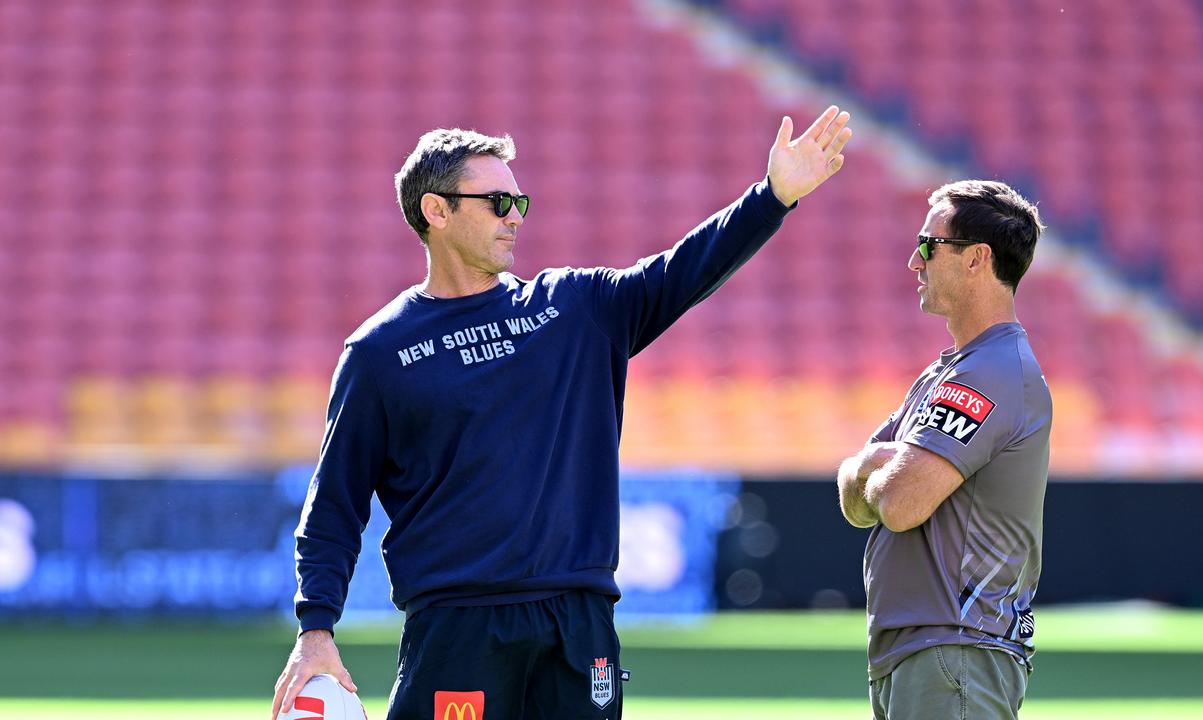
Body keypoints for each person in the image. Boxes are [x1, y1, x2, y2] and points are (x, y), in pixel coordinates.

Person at [270, 106, 853, 720]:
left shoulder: (575, 308)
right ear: (435, 211)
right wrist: (316, 629)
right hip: (457, 629)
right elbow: (334, 503)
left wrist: (772, 197)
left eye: (520, 203)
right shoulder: (380, 352)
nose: (514, 218)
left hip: (578, 625)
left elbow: (682, 271)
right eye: (497, 202)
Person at [836, 180, 1050, 719]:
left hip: (955, 652)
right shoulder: (951, 371)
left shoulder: (990, 372)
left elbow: (900, 503)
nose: (915, 260)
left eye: (930, 244)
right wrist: (877, 469)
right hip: (929, 653)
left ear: (978, 259)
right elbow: (853, 492)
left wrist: (878, 468)